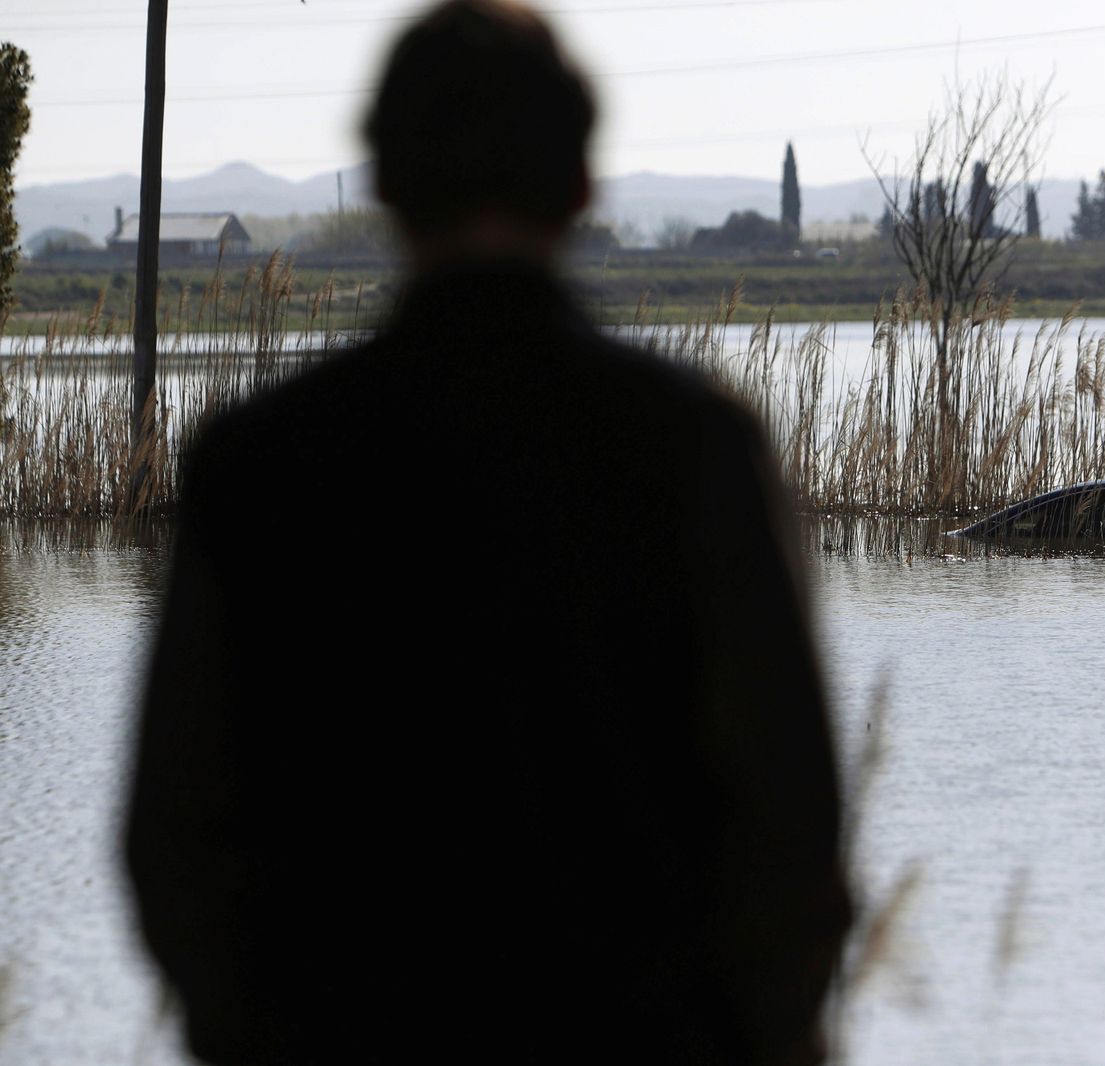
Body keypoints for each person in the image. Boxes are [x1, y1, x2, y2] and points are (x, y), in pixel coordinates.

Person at [123, 3, 850, 1064]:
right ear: (581, 189)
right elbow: (791, 833)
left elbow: (177, 839)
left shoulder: (259, 464)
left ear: (381, 186)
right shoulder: (694, 446)